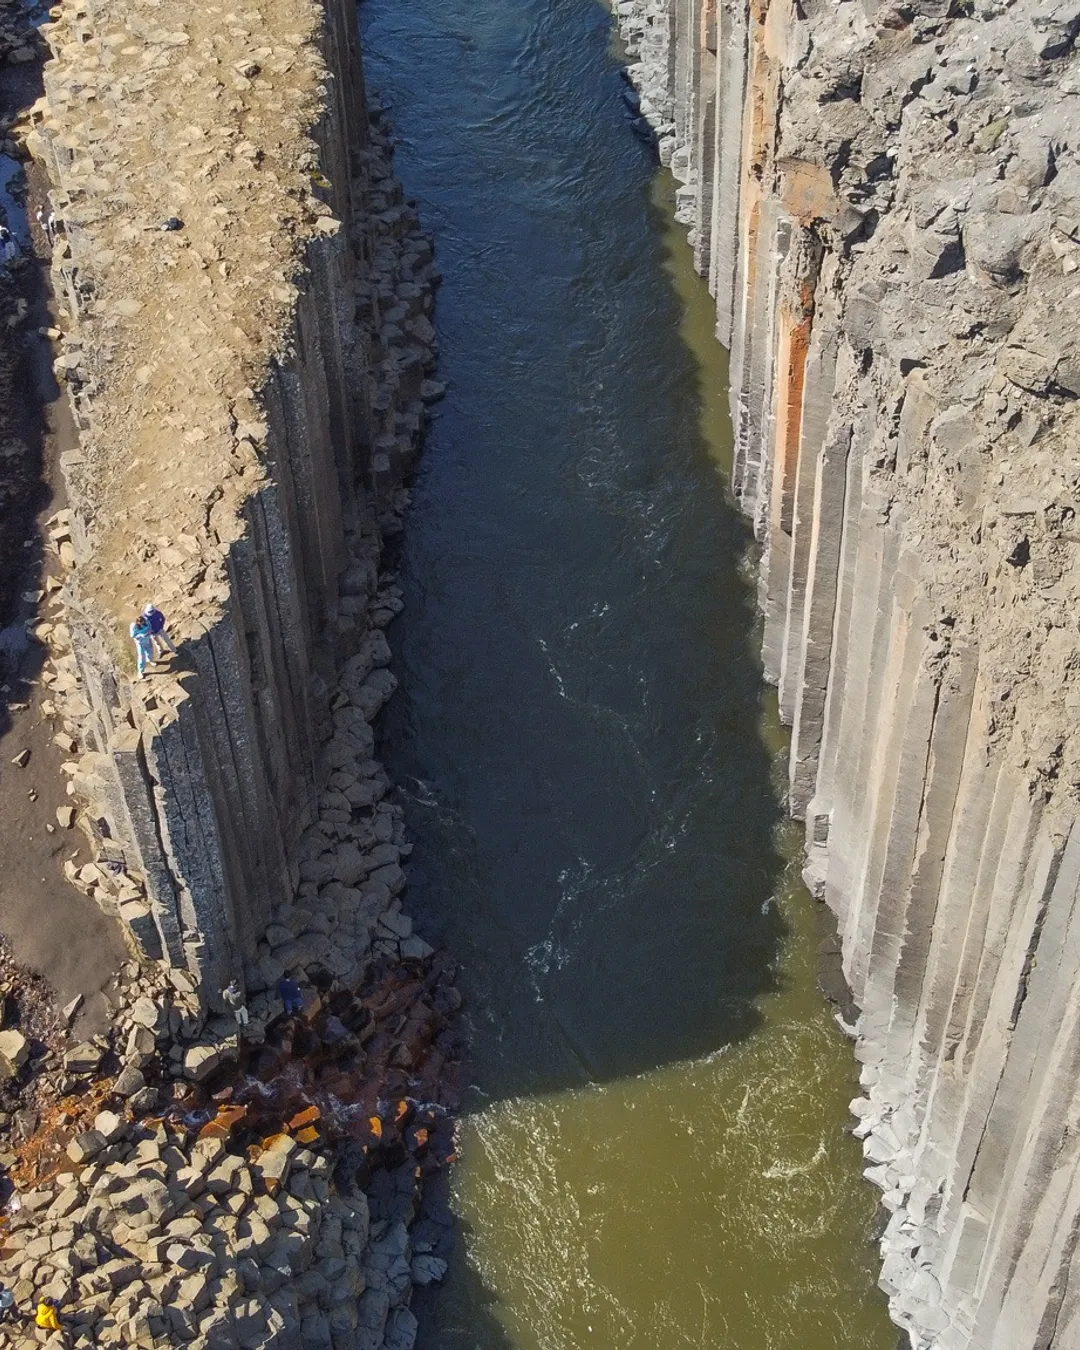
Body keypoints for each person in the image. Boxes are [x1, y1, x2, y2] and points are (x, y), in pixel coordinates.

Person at [129, 612, 154, 679]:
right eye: (141, 623)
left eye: (143, 622)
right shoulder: (134, 626)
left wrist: (149, 632)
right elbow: (132, 636)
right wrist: (140, 635)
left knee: (150, 651)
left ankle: (150, 660)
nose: (143, 623)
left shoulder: (146, 621)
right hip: (140, 642)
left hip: (147, 639)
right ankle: (140, 671)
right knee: (141, 656)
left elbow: (150, 627)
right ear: (138, 622)